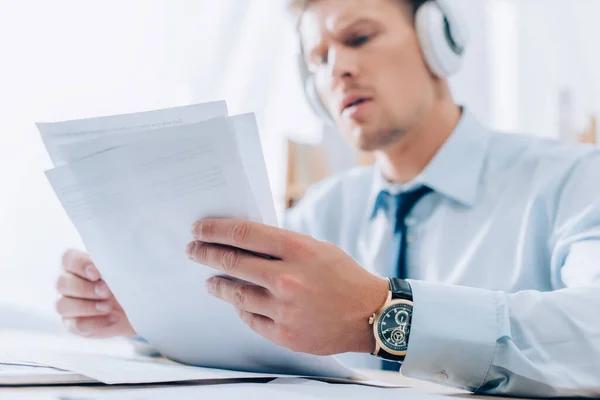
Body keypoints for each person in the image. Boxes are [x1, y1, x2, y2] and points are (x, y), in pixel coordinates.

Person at [54, 0, 600, 397]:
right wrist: (154, 310)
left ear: (440, 43)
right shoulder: (321, 211)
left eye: (358, 38)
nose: (335, 69)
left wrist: (381, 313)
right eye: (316, 60)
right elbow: (252, 332)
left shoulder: (574, 179)